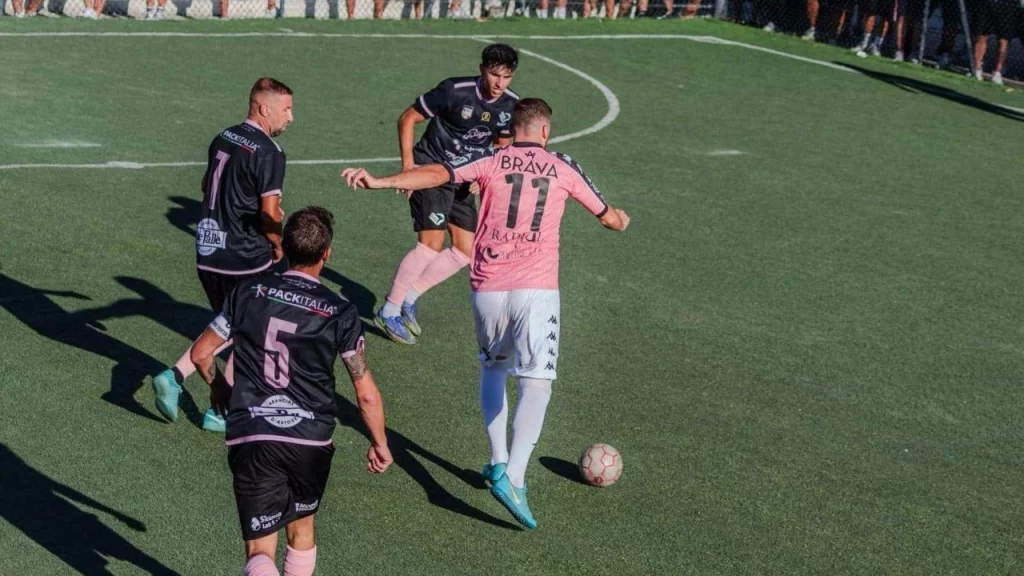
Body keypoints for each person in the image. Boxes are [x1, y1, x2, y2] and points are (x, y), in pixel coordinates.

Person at [341, 97, 630, 529]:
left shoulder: (490, 159)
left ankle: (497, 461)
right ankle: (515, 476)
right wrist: (621, 219)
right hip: (535, 292)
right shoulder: (563, 166)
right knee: (536, 383)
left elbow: (437, 173)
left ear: (513, 129)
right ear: (545, 131)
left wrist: (380, 181)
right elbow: (608, 218)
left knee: (494, 370)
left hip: (488, 290)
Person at [191, 206, 392, 576]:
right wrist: (379, 442)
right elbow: (365, 393)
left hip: (254, 432)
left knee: (259, 548)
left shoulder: (247, 292)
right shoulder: (340, 311)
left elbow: (201, 353)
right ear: (326, 253)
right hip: (310, 440)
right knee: (302, 530)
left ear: (283, 246)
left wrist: (219, 387)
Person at [150, 78, 292, 433]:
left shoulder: (224, 136)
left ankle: (177, 378)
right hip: (245, 256)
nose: (290, 117)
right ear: (264, 108)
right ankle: (216, 408)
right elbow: (268, 213)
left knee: (229, 326)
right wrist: (277, 242)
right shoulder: (270, 152)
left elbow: (205, 185)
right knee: (253, 328)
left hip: (208, 251)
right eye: (287, 109)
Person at [375, 43, 519, 345]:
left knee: (465, 250)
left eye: (506, 77)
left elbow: (502, 147)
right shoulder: (455, 90)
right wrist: (409, 169)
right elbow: (407, 118)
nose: (499, 83)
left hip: (464, 178)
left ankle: (408, 298)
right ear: (482, 70)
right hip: (431, 169)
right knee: (431, 244)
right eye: (494, 75)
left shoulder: (510, 105)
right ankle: (388, 310)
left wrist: (485, 175)